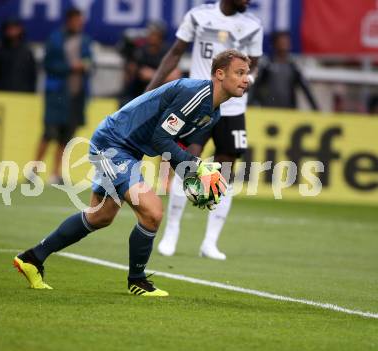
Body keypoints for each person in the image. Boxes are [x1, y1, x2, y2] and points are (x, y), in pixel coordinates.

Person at [13, 49, 251, 296]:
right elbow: (161, 138)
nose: (246, 79)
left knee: (100, 216)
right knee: (153, 212)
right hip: (113, 143)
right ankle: (137, 280)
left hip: (129, 149)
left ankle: (32, 258)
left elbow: (173, 145)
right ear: (220, 74)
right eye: (240, 73)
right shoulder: (196, 94)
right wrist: (194, 165)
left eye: (247, 73)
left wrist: (192, 177)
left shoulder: (214, 112)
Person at [146, 0, 263, 260]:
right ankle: (172, 231)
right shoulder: (199, 16)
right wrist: (151, 88)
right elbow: (175, 52)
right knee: (186, 164)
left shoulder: (253, 25)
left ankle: (210, 242)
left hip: (233, 109)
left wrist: (247, 79)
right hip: (199, 103)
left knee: (226, 171)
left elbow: (254, 63)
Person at [33, 8, 93, 184]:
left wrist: (85, 65)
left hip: (77, 95)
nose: (80, 24)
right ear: (69, 20)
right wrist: (69, 67)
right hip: (57, 94)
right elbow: (48, 63)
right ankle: (34, 170)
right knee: (48, 133)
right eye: (77, 20)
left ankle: (55, 173)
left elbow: (90, 62)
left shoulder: (86, 40)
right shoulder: (55, 39)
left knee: (66, 136)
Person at [250, 31, 319, 110]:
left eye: (286, 42)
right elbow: (255, 87)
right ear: (274, 44)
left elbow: (306, 89)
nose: (284, 44)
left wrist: (315, 108)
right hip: (268, 110)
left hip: (288, 111)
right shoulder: (266, 65)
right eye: (281, 42)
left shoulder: (293, 67)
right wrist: (251, 104)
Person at [119, 21, 181, 106]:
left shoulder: (167, 52)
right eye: (150, 33)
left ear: (161, 36)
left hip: (159, 95)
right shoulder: (140, 51)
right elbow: (129, 77)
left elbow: (175, 76)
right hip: (137, 94)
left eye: (154, 34)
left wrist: (152, 75)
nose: (151, 37)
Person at [0, 19, 36, 92]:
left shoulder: (27, 52)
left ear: (20, 30)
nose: (12, 32)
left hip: (22, 95)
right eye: (10, 29)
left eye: (15, 29)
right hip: (1, 94)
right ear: (5, 31)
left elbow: (32, 76)